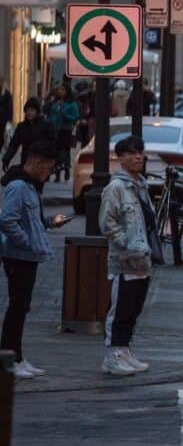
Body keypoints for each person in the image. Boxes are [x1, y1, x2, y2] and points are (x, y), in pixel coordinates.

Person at [1, 141, 73, 380]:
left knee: (21, 308)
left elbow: (32, 221)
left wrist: (52, 222)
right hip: (18, 256)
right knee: (17, 308)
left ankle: (17, 357)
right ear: (35, 162)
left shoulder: (30, 187)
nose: (49, 172)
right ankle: (9, 359)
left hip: (26, 255)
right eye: (48, 167)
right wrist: (26, 242)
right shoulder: (19, 187)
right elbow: (7, 220)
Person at [99, 135, 154, 376]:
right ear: (120, 158)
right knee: (119, 308)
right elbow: (107, 222)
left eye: (140, 152)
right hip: (124, 260)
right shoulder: (116, 188)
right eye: (131, 153)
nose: (137, 157)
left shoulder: (140, 185)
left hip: (142, 259)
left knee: (133, 308)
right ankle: (113, 355)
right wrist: (125, 244)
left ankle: (124, 349)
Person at [2, 99, 55, 171]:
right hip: (26, 161)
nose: (29, 113)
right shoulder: (21, 126)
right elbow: (14, 144)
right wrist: (6, 159)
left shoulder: (46, 125)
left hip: (40, 161)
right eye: (27, 110)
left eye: (32, 110)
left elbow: (52, 143)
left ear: (37, 112)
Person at [43, 85, 79, 181]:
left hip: (65, 130)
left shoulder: (71, 104)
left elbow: (75, 117)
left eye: (63, 89)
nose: (60, 91)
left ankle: (66, 170)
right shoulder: (54, 102)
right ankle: (54, 173)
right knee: (54, 152)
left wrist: (65, 114)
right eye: (59, 89)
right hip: (53, 130)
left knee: (64, 152)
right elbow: (45, 110)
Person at [0, 75, 12, 147]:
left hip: (3, 119)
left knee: (1, 136)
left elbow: (10, 107)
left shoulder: (7, 94)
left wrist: (9, 120)